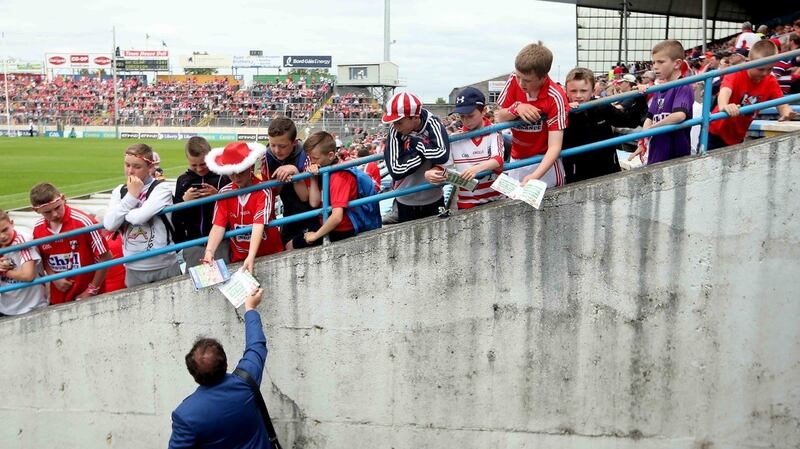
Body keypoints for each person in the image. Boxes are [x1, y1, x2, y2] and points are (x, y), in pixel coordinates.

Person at [168, 287, 274, 449]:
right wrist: (250, 309)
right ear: (225, 362)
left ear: (193, 374)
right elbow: (256, 345)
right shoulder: (246, 381)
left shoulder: (185, 415)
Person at [103, 143, 181, 288]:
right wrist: (131, 196)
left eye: (137, 167)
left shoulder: (161, 188)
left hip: (163, 264)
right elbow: (109, 224)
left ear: (150, 168)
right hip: (133, 267)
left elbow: (138, 218)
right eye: (127, 165)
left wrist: (123, 212)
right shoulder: (120, 191)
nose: (130, 171)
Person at [496, 41, 569, 187]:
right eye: (518, 76)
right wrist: (516, 108)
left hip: (544, 162)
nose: (521, 83)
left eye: (527, 80)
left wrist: (536, 175)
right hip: (517, 159)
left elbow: (555, 146)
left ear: (543, 78)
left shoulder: (556, 96)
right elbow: (499, 116)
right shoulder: (512, 80)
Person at [203, 142, 283, 273]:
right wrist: (209, 251)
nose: (236, 177)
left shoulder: (264, 190)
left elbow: (259, 224)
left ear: (250, 167)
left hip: (270, 253)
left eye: (240, 172)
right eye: (231, 173)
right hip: (239, 258)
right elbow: (218, 225)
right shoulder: (224, 193)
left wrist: (251, 256)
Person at [707, 40, 798, 150]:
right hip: (714, 133)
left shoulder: (770, 81)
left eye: (770, 69)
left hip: (738, 136)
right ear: (749, 61)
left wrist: (786, 112)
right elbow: (725, 90)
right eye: (760, 69)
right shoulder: (736, 72)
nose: (765, 73)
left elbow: (781, 103)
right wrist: (724, 106)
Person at [30, 183, 112, 303]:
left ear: (63, 198)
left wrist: (91, 290)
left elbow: (106, 257)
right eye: (47, 212)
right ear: (36, 210)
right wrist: (54, 278)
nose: (55, 214)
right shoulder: (38, 229)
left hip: (88, 296)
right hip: (59, 298)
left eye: (58, 207)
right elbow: (45, 258)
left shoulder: (84, 222)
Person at [424, 87, 504, 209]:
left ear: (483, 111)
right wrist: (431, 173)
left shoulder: (493, 131)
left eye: (470, 116)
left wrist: (476, 169)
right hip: (467, 203)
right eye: (462, 116)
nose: (465, 121)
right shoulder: (455, 138)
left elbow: (498, 159)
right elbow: (444, 166)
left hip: (495, 199)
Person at [560, 68, 643, 183]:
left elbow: (631, 122)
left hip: (608, 171)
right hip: (577, 175)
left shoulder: (602, 107)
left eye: (583, 91)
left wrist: (640, 97)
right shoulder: (562, 113)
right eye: (573, 91)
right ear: (566, 91)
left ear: (593, 91)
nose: (578, 96)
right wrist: (566, 110)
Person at [382, 91, 451, 222]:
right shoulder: (395, 130)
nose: (395, 127)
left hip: (433, 197)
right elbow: (396, 170)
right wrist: (425, 149)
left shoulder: (433, 123)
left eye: (399, 122)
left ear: (414, 117)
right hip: (405, 200)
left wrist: (415, 143)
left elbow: (442, 155)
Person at [286, 131, 360, 249]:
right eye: (309, 158)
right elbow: (314, 203)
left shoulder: (339, 176)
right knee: (290, 241)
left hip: (341, 228)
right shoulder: (324, 172)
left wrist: (315, 236)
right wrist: (313, 178)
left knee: (290, 246)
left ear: (330, 156)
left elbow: (337, 217)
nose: (312, 162)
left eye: (315, 158)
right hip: (326, 222)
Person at [628, 40, 694, 165]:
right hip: (656, 154)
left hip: (675, 156)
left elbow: (679, 115)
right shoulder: (658, 90)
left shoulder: (683, 86)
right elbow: (649, 117)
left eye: (661, 62)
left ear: (677, 64)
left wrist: (652, 129)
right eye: (653, 62)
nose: (655, 66)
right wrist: (644, 141)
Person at [172, 136, 231, 268]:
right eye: (194, 165)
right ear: (187, 160)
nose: (199, 169)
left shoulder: (223, 177)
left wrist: (218, 196)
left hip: (221, 241)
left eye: (203, 164)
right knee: (194, 284)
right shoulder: (183, 181)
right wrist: (183, 201)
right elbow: (177, 217)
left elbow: (233, 208)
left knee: (224, 279)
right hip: (194, 244)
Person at [260, 117, 317, 245]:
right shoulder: (267, 157)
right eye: (273, 145)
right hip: (288, 213)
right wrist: (280, 178)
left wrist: (294, 171)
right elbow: (272, 193)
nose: (276, 150)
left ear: (294, 142)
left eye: (282, 146)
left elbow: (305, 197)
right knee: (284, 246)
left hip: (310, 213)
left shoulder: (305, 155)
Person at [0, 209, 47, 316]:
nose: (2, 236)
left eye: (5, 229)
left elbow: (28, 276)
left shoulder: (22, 240)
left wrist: (4, 272)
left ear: (12, 224)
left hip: (31, 306)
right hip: (5, 308)